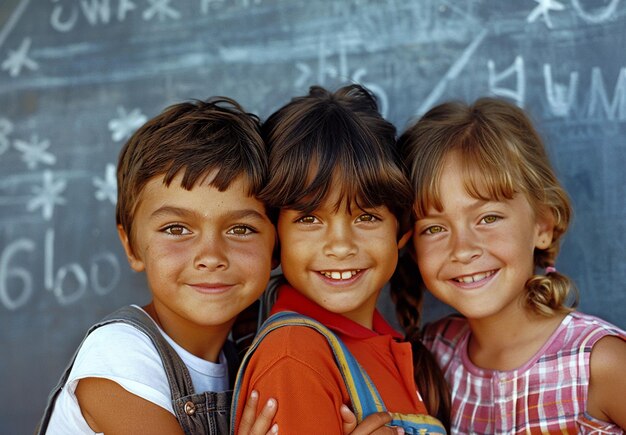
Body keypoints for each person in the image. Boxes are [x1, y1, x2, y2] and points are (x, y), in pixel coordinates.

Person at [37, 97, 281, 434]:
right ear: (132, 246)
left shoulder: (253, 352)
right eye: (176, 229)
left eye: (241, 229)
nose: (211, 256)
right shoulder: (119, 354)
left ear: (276, 248)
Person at [397, 97, 626, 433]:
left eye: (488, 218)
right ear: (411, 246)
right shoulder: (431, 358)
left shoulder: (599, 363)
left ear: (543, 226)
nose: (463, 250)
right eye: (434, 228)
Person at [231, 84, 449, 434]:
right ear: (275, 240)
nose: (341, 245)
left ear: (401, 235)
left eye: (366, 217)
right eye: (309, 219)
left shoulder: (390, 345)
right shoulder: (296, 355)